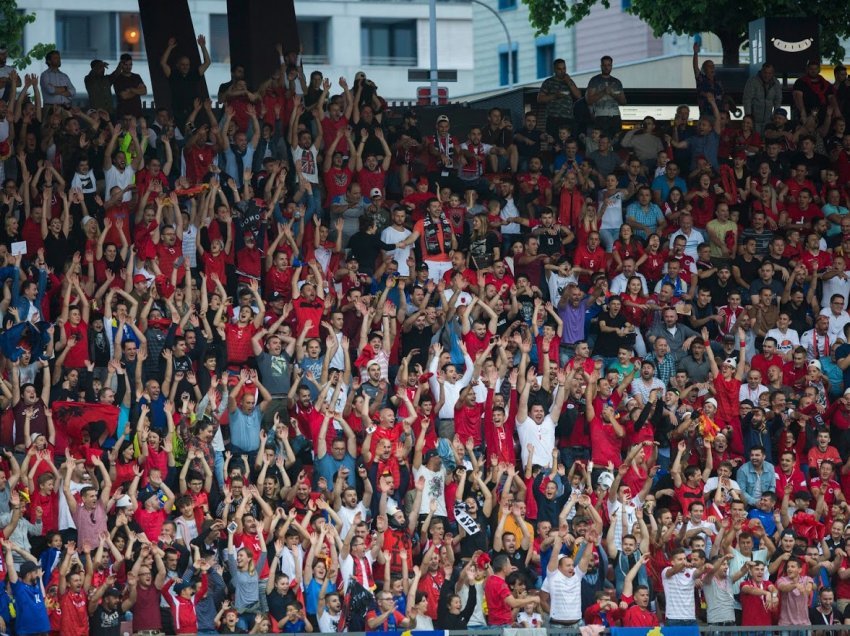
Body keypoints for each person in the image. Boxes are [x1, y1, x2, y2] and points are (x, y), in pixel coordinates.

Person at [538, 59, 582, 138]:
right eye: (559, 69)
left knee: (569, 142)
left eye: (564, 68)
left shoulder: (569, 81)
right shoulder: (548, 82)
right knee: (553, 143)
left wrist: (568, 82)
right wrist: (555, 96)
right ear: (554, 69)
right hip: (553, 118)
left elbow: (578, 96)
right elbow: (540, 99)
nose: (562, 71)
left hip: (568, 118)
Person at [585, 56, 625, 139]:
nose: (607, 67)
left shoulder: (617, 82)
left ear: (611, 66)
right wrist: (603, 92)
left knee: (616, 141)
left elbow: (624, 102)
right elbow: (589, 100)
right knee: (601, 141)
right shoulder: (594, 80)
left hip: (615, 116)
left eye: (609, 65)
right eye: (604, 65)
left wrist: (612, 94)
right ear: (601, 66)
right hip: (600, 116)